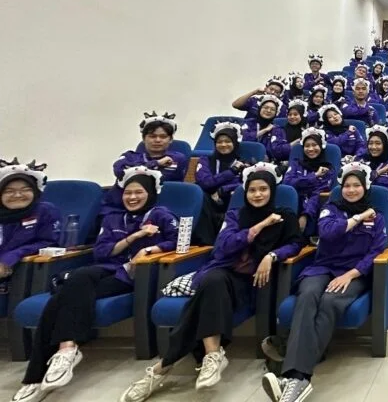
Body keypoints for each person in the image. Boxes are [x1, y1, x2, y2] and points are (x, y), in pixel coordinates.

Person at [119, 164, 301, 402]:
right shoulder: (235, 215)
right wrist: (260, 226)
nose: (257, 194)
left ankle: (162, 367)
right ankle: (212, 354)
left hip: (253, 282)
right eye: (252, 190)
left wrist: (271, 256)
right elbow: (224, 247)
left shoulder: (285, 216)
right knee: (213, 280)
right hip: (223, 271)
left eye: (263, 189)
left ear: (272, 191)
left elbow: (295, 244)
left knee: (205, 293)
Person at [14, 167, 177, 402]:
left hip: (134, 276)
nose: (132, 197)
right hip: (106, 270)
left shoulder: (161, 215)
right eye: (127, 192)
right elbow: (101, 252)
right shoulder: (113, 217)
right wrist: (134, 237)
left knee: (64, 294)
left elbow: (177, 241)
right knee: (72, 287)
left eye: (138, 192)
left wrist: (150, 248)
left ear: (150, 193)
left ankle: (35, 377)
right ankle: (65, 350)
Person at [259, 163, 386, 402]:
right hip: (322, 267)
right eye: (347, 186)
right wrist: (358, 217)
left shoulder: (377, 217)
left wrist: (351, 275)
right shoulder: (331, 209)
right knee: (307, 295)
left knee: (329, 301)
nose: (351, 190)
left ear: (365, 187)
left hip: (353, 273)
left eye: (356, 185)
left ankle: (293, 374)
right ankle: (298, 378)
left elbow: (376, 251)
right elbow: (328, 233)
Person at [0, 159, 60, 309]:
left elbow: (48, 242)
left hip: (19, 274)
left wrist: (10, 258)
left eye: (25, 189)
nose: (17, 195)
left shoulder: (45, 211)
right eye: (9, 191)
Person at [194, 122, 249, 246]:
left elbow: (244, 185)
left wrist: (222, 190)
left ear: (235, 143)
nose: (223, 145)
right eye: (219, 142)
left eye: (228, 141)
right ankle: (205, 245)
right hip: (208, 200)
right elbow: (205, 183)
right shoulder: (205, 160)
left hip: (230, 201)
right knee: (199, 194)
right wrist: (232, 171)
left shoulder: (244, 164)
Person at [113, 112, 188, 185]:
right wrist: (157, 163)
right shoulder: (129, 157)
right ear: (143, 138)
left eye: (163, 137)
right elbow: (121, 173)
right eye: (152, 136)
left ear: (171, 139)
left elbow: (160, 182)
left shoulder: (177, 159)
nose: (157, 140)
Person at [283, 129, 334, 235]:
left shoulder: (327, 169)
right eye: (307, 146)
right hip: (293, 205)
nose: (310, 149)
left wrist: (305, 215)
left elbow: (317, 193)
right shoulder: (296, 163)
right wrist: (314, 176)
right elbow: (287, 183)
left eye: (314, 145)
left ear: (321, 146)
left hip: (313, 209)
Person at [359, 126, 388, 222]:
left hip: (381, 204)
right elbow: (360, 182)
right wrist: (378, 172)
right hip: (359, 202)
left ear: (385, 146)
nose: (373, 147)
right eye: (370, 143)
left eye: (378, 143)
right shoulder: (359, 162)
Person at [242, 96, 290, 163]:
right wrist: (265, 130)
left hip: (267, 163)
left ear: (276, 113)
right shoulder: (248, 123)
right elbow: (242, 138)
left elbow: (278, 151)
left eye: (272, 109)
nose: (268, 111)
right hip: (243, 160)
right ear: (260, 108)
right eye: (266, 107)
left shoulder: (278, 129)